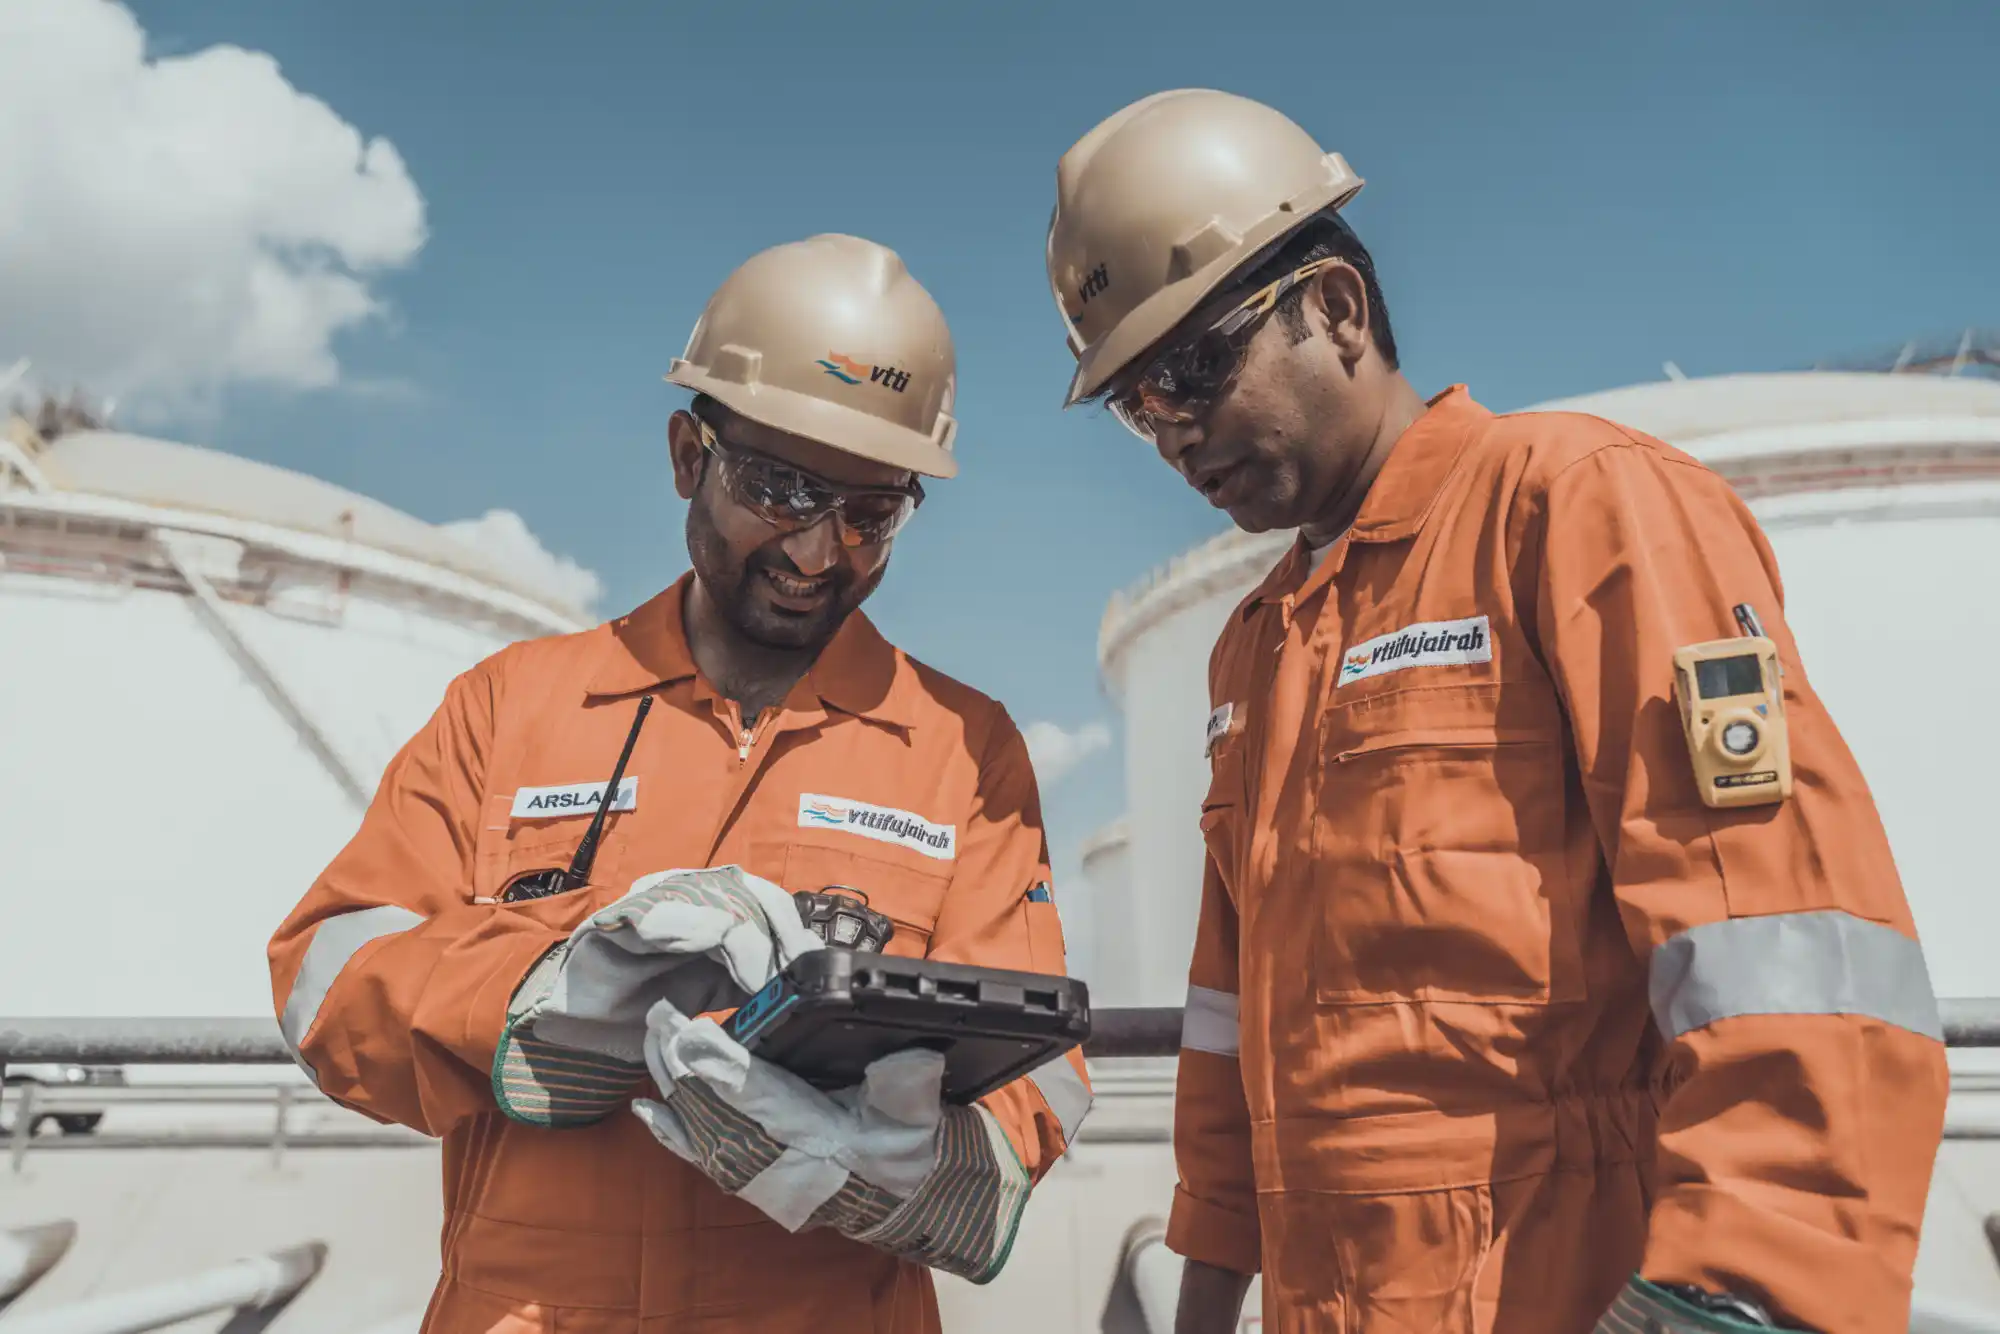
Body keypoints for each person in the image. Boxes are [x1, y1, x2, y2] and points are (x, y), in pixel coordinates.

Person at [1044, 89, 1946, 1334]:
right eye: (1140, 404)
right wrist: (1204, 1302)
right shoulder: (1251, 650)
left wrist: (1734, 1298)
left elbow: (1786, 953)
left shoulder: (1576, 509)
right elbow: (1228, 1031)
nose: (1175, 433)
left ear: (1338, 309)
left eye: (1195, 366)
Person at [269, 233, 1091, 1334]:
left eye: (868, 513)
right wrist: (549, 985)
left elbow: (1039, 1083)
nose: (815, 549)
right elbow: (328, 987)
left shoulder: (960, 748)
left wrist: (902, 1166)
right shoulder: (512, 706)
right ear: (683, 454)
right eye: (777, 487)